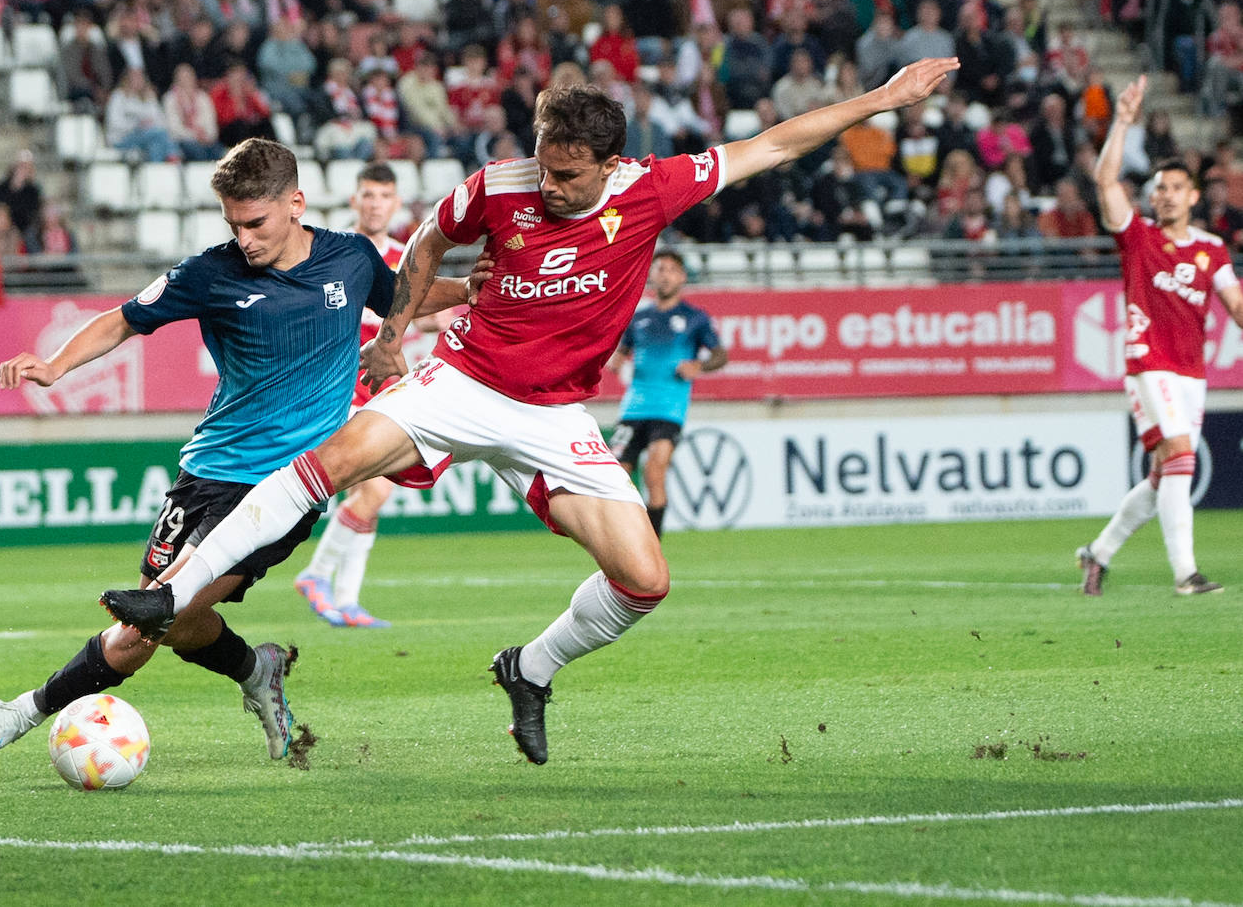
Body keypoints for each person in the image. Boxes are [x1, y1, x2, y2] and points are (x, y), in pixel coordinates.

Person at [98, 57, 960, 766]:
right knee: (331, 463)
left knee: (645, 580)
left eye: (566, 173)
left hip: (556, 416)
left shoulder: (653, 189)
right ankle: (167, 595)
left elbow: (773, 144)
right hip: (463, 380)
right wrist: (396, 333)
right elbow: (432, 240)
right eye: (542, 164)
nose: (546, 183)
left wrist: (882, 99)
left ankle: (531, 669)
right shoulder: (499, 185)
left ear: (608, 163)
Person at [0, 139, 476, 762]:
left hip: (288, 484)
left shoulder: (350, 260)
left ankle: (25, 711)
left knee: (150, 618)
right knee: (179, 623)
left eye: (255, 223)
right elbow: (125, 317)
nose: (245, 238)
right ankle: (258, 671)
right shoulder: (210, 272)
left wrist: (472, 288)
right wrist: (54, 365)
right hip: (205, 472)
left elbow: (405, 297)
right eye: (233, 224)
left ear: (296, 203)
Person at [1076, 76, 1243, 597]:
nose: (1164, 196)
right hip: (1149, 361)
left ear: (1193, 196)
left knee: (1161, 474)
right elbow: (1106, 184)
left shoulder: (1212, 249)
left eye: (1174, 188)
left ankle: (1097, 553)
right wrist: (1122, 121)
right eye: (1158, 189)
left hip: (1192, 371)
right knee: (1180, 455)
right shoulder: (1139, 237)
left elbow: (1235, 303)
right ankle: (1186, 574)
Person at [293, 162, 453, 628]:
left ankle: (345, 598)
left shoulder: (408, 258)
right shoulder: (333, 252)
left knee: (370, 493)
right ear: (354, 201)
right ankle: (317, 575)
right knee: (378, 487)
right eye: (368, 195)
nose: (375, 204)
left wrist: (436, 317)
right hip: (341, 388)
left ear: (396, 203)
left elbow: (417, 315)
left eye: (384, 196)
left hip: (383, 390)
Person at [606, 250, 727, 537]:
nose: (665, 274)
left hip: (669, 409)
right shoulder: (640, 317)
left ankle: (652, 546)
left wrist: (700, 364)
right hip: (633, 407)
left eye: (672, 269)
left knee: (654, 471)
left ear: (682, 277)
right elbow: (620, 354)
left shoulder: (694, 318)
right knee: (615, 475)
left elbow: (720, 355)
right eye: (660, 268)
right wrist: (617, 360)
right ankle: (626, 537)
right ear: (652, 274)